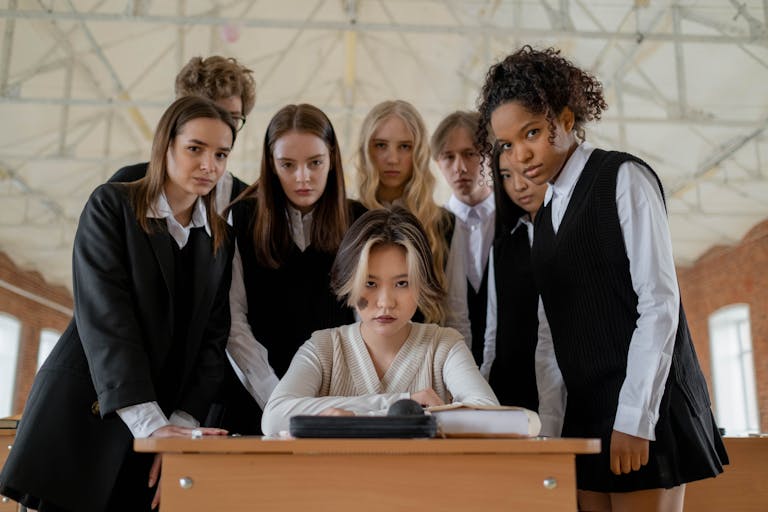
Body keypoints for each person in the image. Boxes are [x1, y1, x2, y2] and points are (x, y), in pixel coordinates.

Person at [476, 45, 728, 511]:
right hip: (586, 413)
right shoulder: (546, 214)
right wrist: (553, 431)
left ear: (567, 119)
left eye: (531, 132)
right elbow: (551, 338)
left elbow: (659, 304)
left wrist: (634, 418)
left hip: (643, 409)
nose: (520, 153)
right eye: (507, 144)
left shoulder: (623, 178)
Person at [0, 96, 235, 512]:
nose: (208, 166)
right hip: (87, 418)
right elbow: (107, 321)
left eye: (221, 154)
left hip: (159, 438)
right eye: (195, 149)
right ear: (166, 147)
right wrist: (152, 427)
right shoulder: (113, 205)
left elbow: (213, 342)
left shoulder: (220, 238)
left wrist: (177, 429)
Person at [261, 206, 498, 436]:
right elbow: (274, 418)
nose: (385, 302)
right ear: (349, 283)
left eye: (402, 283)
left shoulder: (444, 346)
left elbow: (489, 417)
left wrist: (349, 415)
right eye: (370, 283)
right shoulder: (323, 347)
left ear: (421, 283)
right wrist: (402, 405)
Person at [224, 104, 366, 434]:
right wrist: (277, 399)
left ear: (332, 158)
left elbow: (366, 321)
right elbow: (233, 322)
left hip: (338, 402)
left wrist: (344, 400)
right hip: (255, 400)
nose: (302, 177)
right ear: (271, 166)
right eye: (287, 165)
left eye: (314, 163)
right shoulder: (242, 218)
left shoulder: (359, 220)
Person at [356, 100, 471, 346]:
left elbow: (457, 317)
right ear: (367, 150)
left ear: (418, 152)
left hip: (427, 364)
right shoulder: (347, 217)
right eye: (381, 146)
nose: (393, 158)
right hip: (358, 366)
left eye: (405, 147)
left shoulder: (445, 224)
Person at [111, 55, 257, 209]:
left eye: (233, 118)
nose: (222, 126)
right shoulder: (124, 187)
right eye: (209, 114)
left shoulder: (246, 201)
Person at [483, 146, 547, 410]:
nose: (518, 185)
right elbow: (493, 330)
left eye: (525, 173)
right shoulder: (502, 247)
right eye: (506, 176)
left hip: (568, 389)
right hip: (510, 390)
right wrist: (483, 387)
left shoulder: (571, 237)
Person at [431, 111, 494, 372]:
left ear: (489, 155)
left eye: (470, 153)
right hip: (450, 368)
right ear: (437, 162)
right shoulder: (431, 228)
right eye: (448, 156)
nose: (460, 167)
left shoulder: (516, 223)